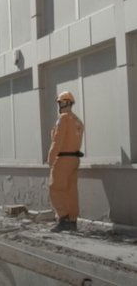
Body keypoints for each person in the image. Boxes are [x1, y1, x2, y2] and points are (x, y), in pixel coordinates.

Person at [48, 91, 84, 232]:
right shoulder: (77, 121)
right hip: (74, 159)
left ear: (65, 103)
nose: (59, 105)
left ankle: (63, 218)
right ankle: (72, 221)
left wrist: (51, 158)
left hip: (62, 159)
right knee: (71, 191)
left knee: (55, 188)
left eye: (60, 102)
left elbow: (57, 141)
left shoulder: (63, 118)